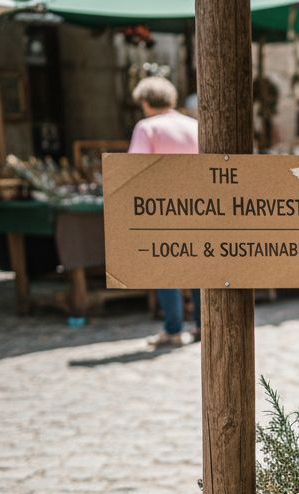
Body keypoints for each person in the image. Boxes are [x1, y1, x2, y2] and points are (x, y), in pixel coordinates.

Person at [129, 76, 201, 348]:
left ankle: (173, 329)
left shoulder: (147, 128)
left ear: (145, 102)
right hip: (198, 204)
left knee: (165, 266)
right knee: (198, 265)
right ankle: (203, 325)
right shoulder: (194, 125)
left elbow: (136, 169)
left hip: (163, 205)